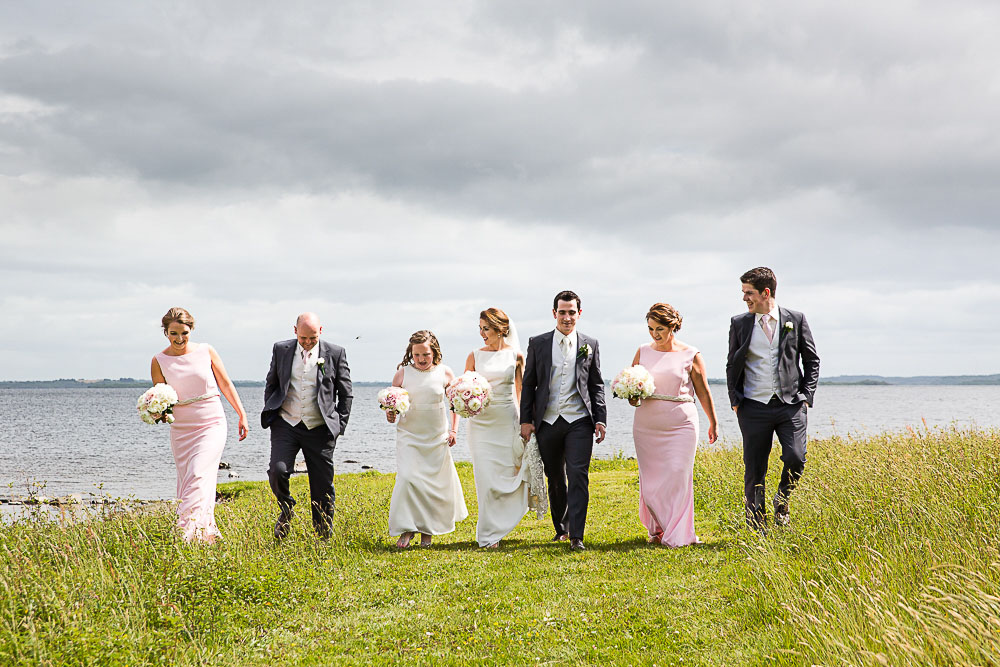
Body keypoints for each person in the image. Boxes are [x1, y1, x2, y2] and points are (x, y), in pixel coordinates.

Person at [726, 267, 820, 531]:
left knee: (796, 456)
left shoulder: (796, 319)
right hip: (753, 407)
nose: (745, 298)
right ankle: (757, 526)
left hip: (790, 405)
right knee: (754, 467)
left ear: (766, 293)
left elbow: (812, 361)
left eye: (749, 293)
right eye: (743, 292)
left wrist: (806, 396)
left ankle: (783, 498)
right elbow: (732, 364)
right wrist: (735, 398)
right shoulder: (739, 323)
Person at [151, 307, 248, 543]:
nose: (179, 339)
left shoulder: (206, 351)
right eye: (173, 333)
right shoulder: (159, 361)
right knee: (191, 480)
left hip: (211, 422)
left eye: (184, 333)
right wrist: (158, 413)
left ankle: (183, 533)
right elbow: (161, 397)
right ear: (165, 332)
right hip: (182, 429)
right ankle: (205, 535)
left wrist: (241, 414)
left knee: (197, 473)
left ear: (191, 330)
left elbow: (225, 384)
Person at [520, 291, 607, 552]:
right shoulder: (538, 343)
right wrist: (526, 420)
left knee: (578, 474)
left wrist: (600, 419)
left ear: (579, 313)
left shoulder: (590, 343)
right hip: (547, 420)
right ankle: (561, 527)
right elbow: (529, 383)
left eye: (572, 312)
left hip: (579, 420)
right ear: (554, 313)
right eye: (562, 312)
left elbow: (596, 384)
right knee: (555, 476)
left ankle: (576, 536)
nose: (567, 317)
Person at [629, 303, 718, 547]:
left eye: (659, 329)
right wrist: (631, 393)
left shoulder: (691, 354)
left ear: (673, 327)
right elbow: (633, 385)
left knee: (679, 474)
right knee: (651, 482)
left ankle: (679, 534)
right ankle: (659, 527)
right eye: (650, 329)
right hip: (647, 425)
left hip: (681, 424)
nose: (654, 334)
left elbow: (703, 390)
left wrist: (713, 421)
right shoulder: (642, 351)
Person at [261, 312, 353, 540]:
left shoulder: (336, 352)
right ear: (295, 331)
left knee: (322, 484)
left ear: (321, 331)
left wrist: (338, 426)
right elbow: (271, 384)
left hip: (320, 428)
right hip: (286, 424)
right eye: (303, 338)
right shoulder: (281, 350)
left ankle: (323, 536)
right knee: (277, 470)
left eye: (312, 338)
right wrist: (272, 412)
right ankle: (286, 507)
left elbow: (346, 393)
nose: (308, 343)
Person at [385, 330, 468, 548]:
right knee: (407, 479)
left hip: (436, 437)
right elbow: (391, 411)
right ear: (411, 353)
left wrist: (454, 430)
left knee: (431, 485)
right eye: (417, 355)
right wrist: (390, 413)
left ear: (435, 352)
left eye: (426, 354)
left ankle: (426, 532)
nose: (421, 359)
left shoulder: (445, 373)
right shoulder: (402, 374)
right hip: (409, 436)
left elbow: (455, 404)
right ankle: (407, 528)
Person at [465, 308, 531, 548]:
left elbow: (521, 391)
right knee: (484, 476)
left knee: (505, 473)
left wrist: (526, 421)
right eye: (480, 328)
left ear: (501, 329)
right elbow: (463, 386)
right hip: (480, 424)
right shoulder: (474, 356)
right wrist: (463, 403)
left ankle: (500, 525)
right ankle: (487, 533)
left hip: (505, 420)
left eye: (486, 329)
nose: (482, 334)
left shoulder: (516, 356)